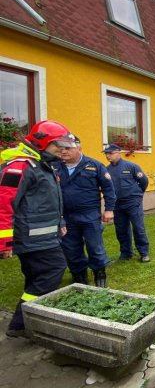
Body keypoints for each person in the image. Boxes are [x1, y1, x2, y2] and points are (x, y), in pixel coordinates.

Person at [0, 120, 76, 337]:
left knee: (36, 277)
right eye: (58, 145)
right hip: (32, 238)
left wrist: (59, 223)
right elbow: (3, 205)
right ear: (41, 142)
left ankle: (25, 323)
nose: (63, 150)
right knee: (53, 270)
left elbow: (47, 201)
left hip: (42, 236)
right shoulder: (20, 166)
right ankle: (21, 322)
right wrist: (4, 243)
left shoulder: (40, 164)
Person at [53, 137, 116, 288]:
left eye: (68, 148)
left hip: (89, 215)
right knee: (70, 247)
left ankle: (99, 274)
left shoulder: (94, 165)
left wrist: (109, 209)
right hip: (65, 216)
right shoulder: (54, 166)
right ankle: (79, 275)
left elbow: (108, 189)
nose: (63, 151)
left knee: (95, 247)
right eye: (61, 148)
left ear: (79, 149)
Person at [103, 143, 150, 262]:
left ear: (119, 152)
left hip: (132, 202)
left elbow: (143, 181)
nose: (108, 156)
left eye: (110, 153)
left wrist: (138, 195)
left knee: (138, 228)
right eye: (106, 154)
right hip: (117, 204)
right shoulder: (106, 170)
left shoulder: (131, 166)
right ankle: (126, 253)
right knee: (121, 229)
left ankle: (144, 252)